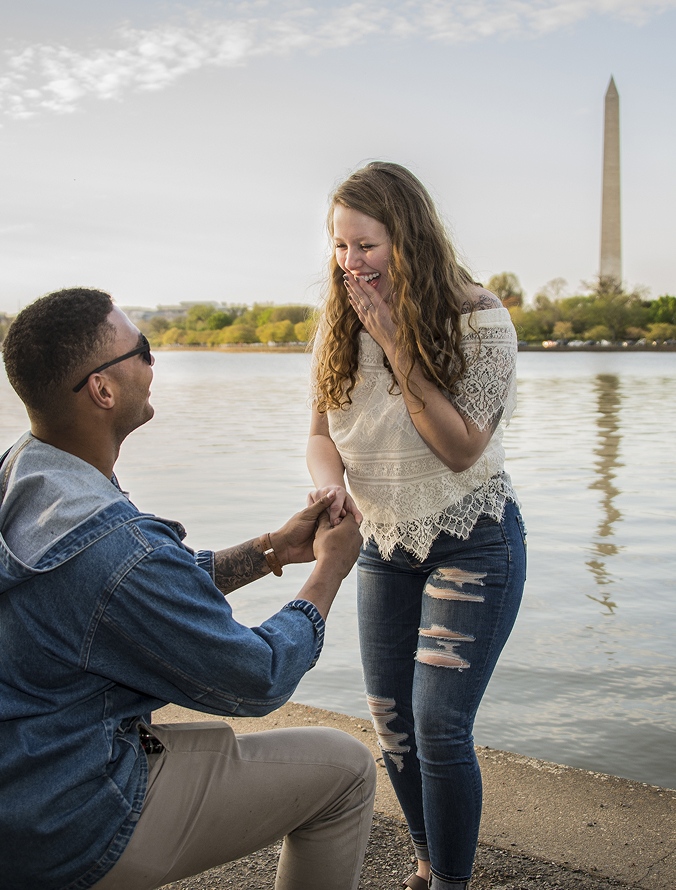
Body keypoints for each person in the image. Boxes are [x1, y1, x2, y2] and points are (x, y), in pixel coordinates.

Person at [0, 288, 376, 890]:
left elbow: (133, 598)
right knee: (348, 769)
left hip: (22, 780)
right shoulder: (118, 550)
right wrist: (327, 571)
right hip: (65, 826)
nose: (155, 365)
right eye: (143, 352)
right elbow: (257, 678)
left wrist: (272, 550)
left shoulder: (24, 473)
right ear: (103, 390)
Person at [306, 162, 527, 890]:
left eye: (365, 246)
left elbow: (461, 446)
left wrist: (398, 341)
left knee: (437, 727)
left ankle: (452, 885)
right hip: (385, 545)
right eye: (340, 248)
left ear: (408, 236)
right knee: (391, 724)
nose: (350, 264)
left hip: (474, 541)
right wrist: (328, 487)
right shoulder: (337, 324)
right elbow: (319, 434)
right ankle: (430, 863)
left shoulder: (479, 318)